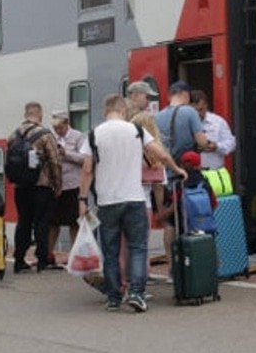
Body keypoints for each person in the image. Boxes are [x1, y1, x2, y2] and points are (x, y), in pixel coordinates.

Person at [78, 94, 185, 312]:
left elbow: (87, 171)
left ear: (105, 111)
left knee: (111, 251)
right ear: (123, 111)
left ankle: (114, 297)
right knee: (137, 248)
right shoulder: (136, 130)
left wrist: (81, 200)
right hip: (135, 199)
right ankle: (136, 293)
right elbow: (161, 156)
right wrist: (177, 170)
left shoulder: (93, 135)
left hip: (107, 202)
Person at [153, 81, 210, 268]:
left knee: (170, 224)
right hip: (186, 176)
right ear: (185, 95)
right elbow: (201, 141)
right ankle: (194, 264)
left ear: (170, 95)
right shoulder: (190, 112)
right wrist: (209, 144)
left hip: (167, 177)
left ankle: (172, 266)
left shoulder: (158, 116)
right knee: (192, 218)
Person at [9, 101, 62, 273]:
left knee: (23, 222)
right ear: (39, 114)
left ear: (26, 114)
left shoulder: (13, 135)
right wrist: (57, 184)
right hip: (41, 186)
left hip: (20, 187)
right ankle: (42, 261)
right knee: (41, 223)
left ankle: (18, 260)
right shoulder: (45, 134)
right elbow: (55, 161)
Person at [47, 110, 88, 265]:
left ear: (66, 123)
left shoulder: (78, 137)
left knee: (74, 222)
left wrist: (66, 153)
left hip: (73, 185)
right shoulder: (50, 137)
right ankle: (48, 255)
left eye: (60, 127)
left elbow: (85, 159)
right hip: (56, 186)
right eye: (55, 128)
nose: (58, 131)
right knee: (53, 222)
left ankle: (75, 255)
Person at [191, 89, 237, 171]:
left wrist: (217, 146)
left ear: (206, 106)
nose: (198, 114)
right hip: (193, 174)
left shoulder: (218, 122)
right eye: (194, 111)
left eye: (200, 110)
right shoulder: (185, 123)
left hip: (215, 172)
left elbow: (231, 143)